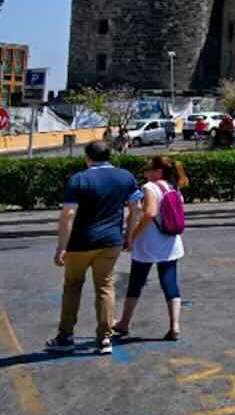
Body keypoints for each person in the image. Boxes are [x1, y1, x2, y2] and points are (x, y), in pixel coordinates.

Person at [46, 140, 139, 355]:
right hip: (111, 241)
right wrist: (129, 236)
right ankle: (105, 338)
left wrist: (61, 247)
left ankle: (65, 336)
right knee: (105, 286)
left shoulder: (79, 179)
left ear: (87, 157)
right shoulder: (126, 177)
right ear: (109, 155)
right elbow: (137, 209)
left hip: (80, 243)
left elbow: (68, 214)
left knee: (73, 286)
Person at [112, 156, 187, 341]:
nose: (145, 173)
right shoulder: (173, 187)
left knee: (136, 282)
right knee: (170, 283)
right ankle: (175, 326)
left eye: (148, 169)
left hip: (149, 243)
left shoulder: (150, 187)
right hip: (171, 241)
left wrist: (133, 235)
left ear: (158, 172)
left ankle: (124, 323)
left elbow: (150, 212)